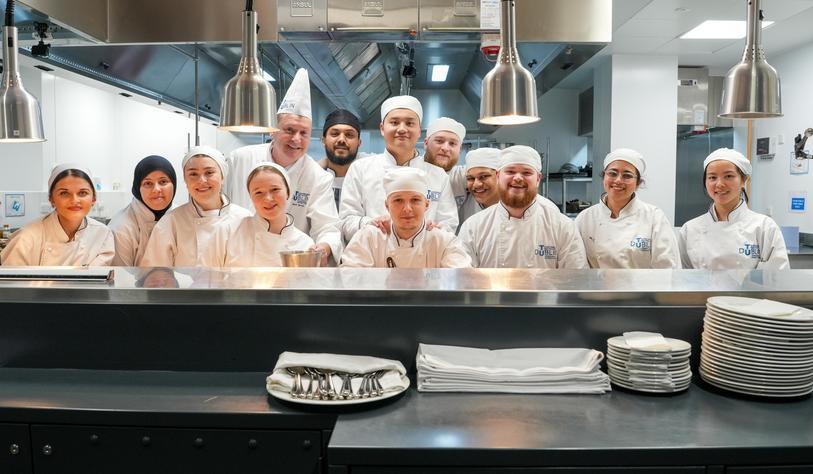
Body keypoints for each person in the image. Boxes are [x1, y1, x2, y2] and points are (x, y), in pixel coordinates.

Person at [225, 69, 341, 266]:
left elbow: (328, 228)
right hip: (239, 259)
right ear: (273, 130)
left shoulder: (317, 177)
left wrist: (323, 247)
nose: (296, 139)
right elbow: (219, 210)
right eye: (289, 130)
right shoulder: (239, 159)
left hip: (291, 265)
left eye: (304, 133)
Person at [339, 95, 458, 242]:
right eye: (394, 122)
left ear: (419, 130)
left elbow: (449, 224)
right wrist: (370, 224)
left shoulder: (438, 176)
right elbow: (346, 221)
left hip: (424, 254)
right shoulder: (360, 169)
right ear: (382, 128)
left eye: (409, 123)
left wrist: (436, 230)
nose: (402, 129)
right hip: (373, 253)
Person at [458, 146, 587, 269]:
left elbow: (576, 277)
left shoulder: (562, 227)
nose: (518, 178)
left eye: (526, 172)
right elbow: (464, 277)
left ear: (538, 179)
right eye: (510, 171)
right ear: (498, 176)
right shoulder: (473, 227)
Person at [679, 148, 789, 269]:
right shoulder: (690, 230)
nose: (719, 184)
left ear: (744, 180)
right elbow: (682, 277)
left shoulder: (764, 227)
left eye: (728, 176)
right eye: (712, 177)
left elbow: (778, 275)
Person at [140, 146, 251, 267]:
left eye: (209, 172)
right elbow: (154, 273)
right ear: (185, 180)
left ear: (222, 176)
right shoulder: (171, 223)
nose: (201, 180)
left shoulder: (244, 219)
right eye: (193, 174)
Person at [341, 167, 471, 268]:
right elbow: (351, 279)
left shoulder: (444, 242)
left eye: (415, 200)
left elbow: (460, 280)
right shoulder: (368, 238)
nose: (407, 209)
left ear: (426, 205)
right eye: (398, 200)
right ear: (387, 205)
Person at [575, 148, 680, 269]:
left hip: (644, 282)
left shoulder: (654, 218)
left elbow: (668, 268)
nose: (618, 180)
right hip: (597, 281)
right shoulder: (585, 218)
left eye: (627, 176)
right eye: (612, 173)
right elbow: (578, 265)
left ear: (638, 183)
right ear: (604, 177)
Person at [1, 164, 114, 266]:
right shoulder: (26, 238)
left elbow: (98, 279)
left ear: (93, 198)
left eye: (82, 193)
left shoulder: (102, 235)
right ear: (51, 199)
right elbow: (11, 281)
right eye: (64, 193)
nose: (74, 200)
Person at [221, 162, 315, 267]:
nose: (268, 198)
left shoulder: (305, 244)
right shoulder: (230, 233)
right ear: (251, 197)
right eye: (258, 192)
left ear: (288, 192)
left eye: (275, 189)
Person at [108, 155, 177, 266]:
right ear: (138, 188)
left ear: (174, 184)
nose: (156, 189)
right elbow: (121, 275)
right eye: (148, 183)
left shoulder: (182, 218)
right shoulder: (121, 227)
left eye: (163, 181)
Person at [317, 109, 370, 210]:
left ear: (359, 142)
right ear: (323, 140)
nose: (341, 139)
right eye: (335, 134)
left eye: (349, 135)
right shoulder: (313, 178)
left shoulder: (373, 171)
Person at [423, 117, 467, 207]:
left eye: (452, 143)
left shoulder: (462, 177)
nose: (445, 148)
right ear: (426, 143)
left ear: (460, 149)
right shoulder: (410, 170)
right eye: (439, 141)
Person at [458, 147, 502, 229]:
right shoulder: (465, 207)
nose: (476, 184)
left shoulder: (515, 208)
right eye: (470, 178)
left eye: (483, 176)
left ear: (500, 176)